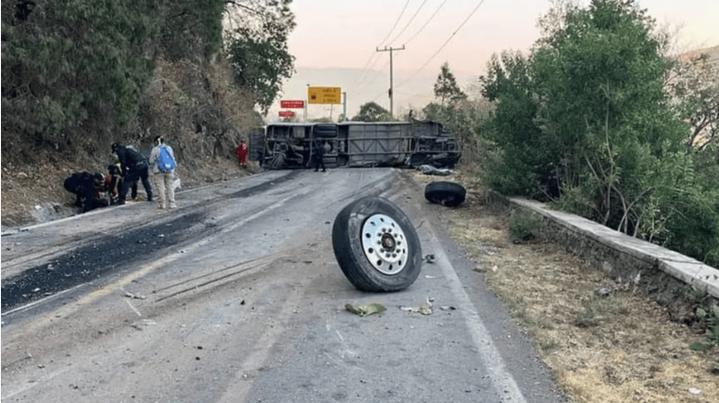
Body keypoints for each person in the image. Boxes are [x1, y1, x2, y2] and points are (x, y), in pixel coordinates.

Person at [149, 136, 177, 209]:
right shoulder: (169, 148)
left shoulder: (155, 149)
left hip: (158, 171)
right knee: (170, 187)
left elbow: (151, 160)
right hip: (170, 170)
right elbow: (172, 158)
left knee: (160, 187)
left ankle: (162, 204)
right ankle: (172, 203)